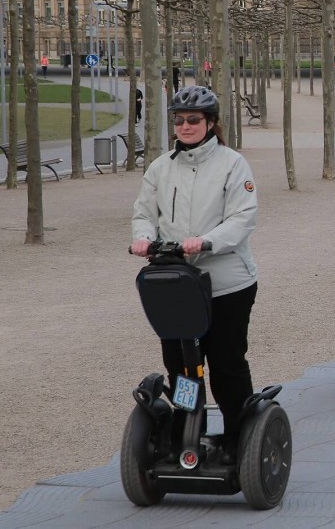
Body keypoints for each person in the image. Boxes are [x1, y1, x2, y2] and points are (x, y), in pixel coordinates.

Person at [131, 85, 259, 462]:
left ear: (211, 123)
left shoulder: (233, 164)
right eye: (180, 120)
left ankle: (240, 441)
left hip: (227, 284)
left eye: (194, 120)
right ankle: (190, 435)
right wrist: (143, 239)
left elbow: (243, 217)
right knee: (181, 366)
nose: (185, 126)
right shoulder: (161, 166)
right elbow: (143, 212)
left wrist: (205, 241)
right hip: (177, 285)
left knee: (226, 365)